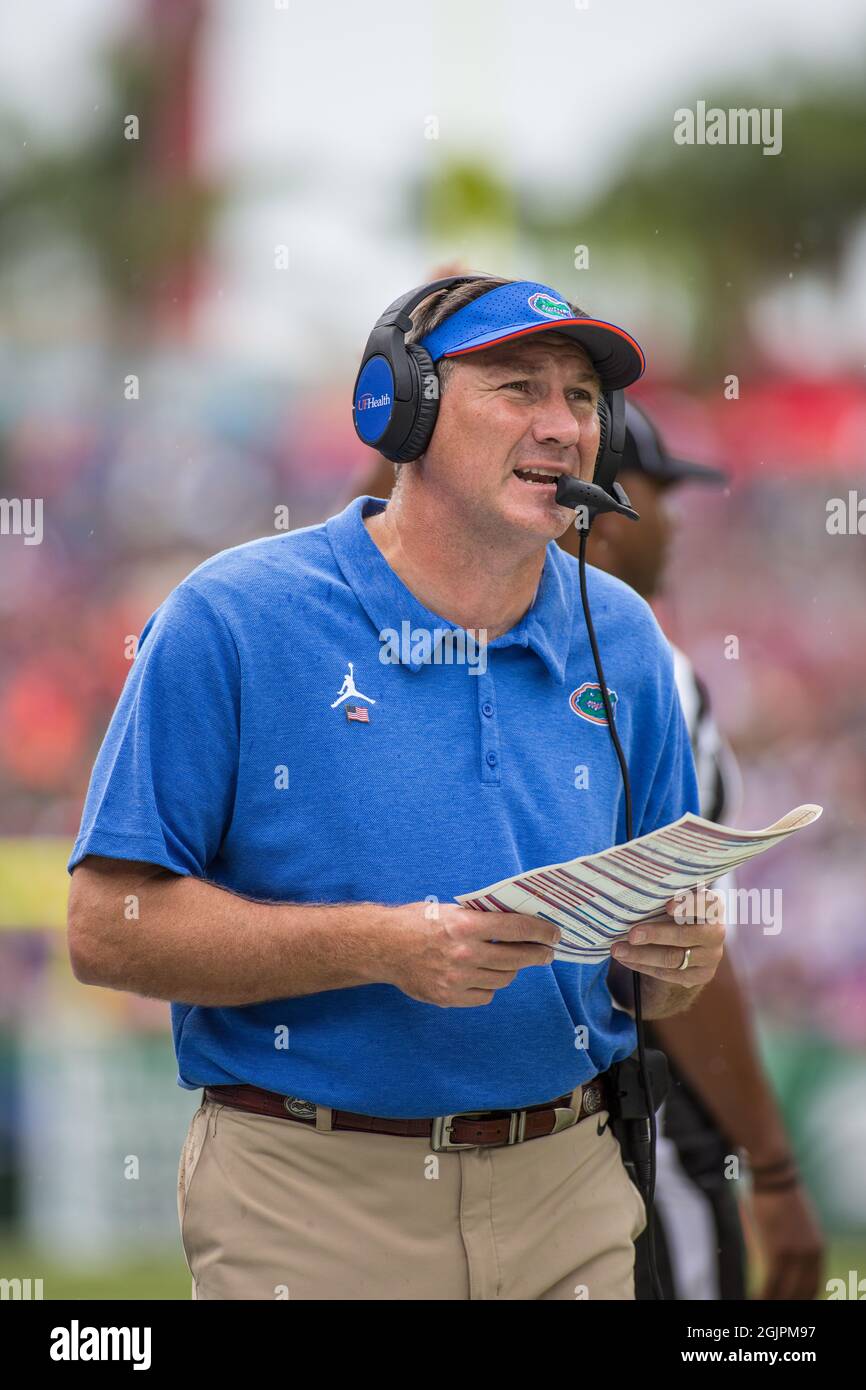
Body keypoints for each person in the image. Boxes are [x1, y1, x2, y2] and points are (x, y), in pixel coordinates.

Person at [66, 272, 726, 1301]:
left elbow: (658, 971)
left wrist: (681, 953)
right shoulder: (233, 618)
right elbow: (107, 926)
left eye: (582, 399)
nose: (562, 426)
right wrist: (383, 946)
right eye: (517, 387)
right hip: (311, 1195)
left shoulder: (626, 638)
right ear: (400, 407)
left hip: (571, 1184)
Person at [345, 396, 825, 1300]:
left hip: (499, 1131)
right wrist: (772, 1166)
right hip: (627, 1106)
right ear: (594, 509)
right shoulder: (643, 667)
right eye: (654, 491)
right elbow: (682, 967)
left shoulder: (455, 644)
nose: (672, 521)